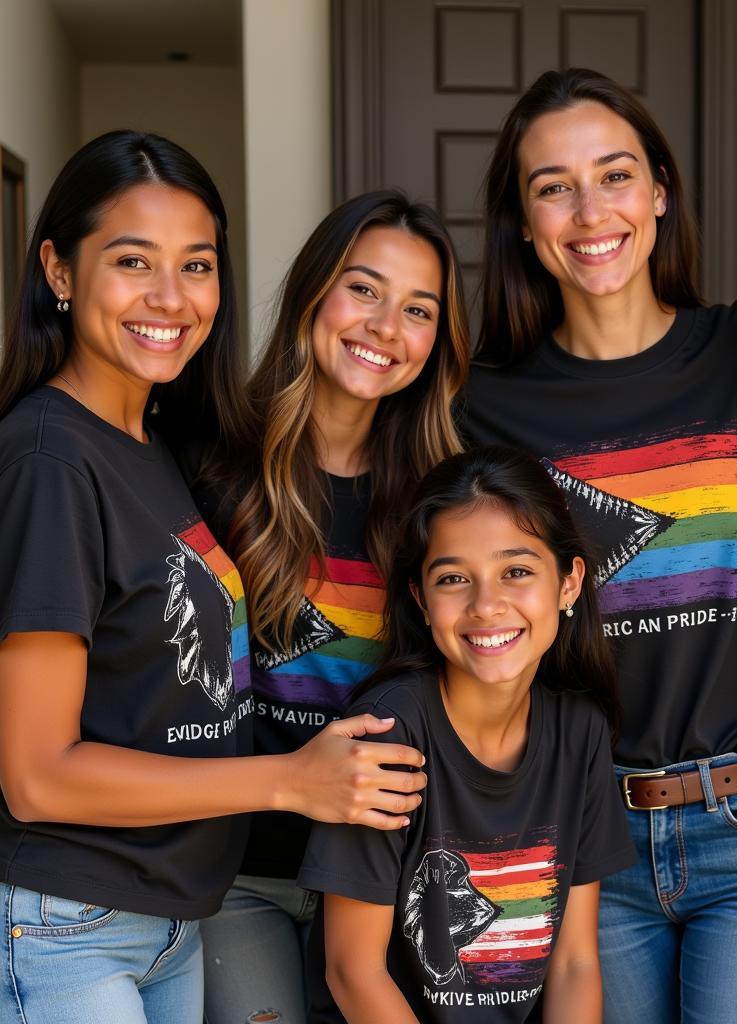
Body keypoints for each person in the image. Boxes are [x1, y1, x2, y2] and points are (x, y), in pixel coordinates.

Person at [0, 133, 428, 1024]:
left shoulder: (149, 444)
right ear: (59, 269)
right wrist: (285, 781)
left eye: (196, 264)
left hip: (167, 917)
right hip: (69, 922)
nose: (170, 297)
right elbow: (36, 776)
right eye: (131, 261)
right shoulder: (50, 456)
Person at [463, 68, 737, 1023]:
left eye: (615, 175)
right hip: (584, 833)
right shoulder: (477, 403)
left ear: (660, 190)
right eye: (553, 187)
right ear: (524, 221)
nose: (591, 212)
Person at [200, 190, 471, 1024]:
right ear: (314, 294)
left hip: (389, 875)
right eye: (364, 289)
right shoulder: (208, 465)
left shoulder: (446, 502)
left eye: (417, 309)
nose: (386, 327)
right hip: (238, 869)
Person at [298, 446, 636, 1023]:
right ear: (420, 600)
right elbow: (353, 970)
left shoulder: (579, 731)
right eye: (454, 578)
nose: (486, 605)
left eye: (517, 571)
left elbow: (575, 962)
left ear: (569, 584)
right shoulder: (388, 736)